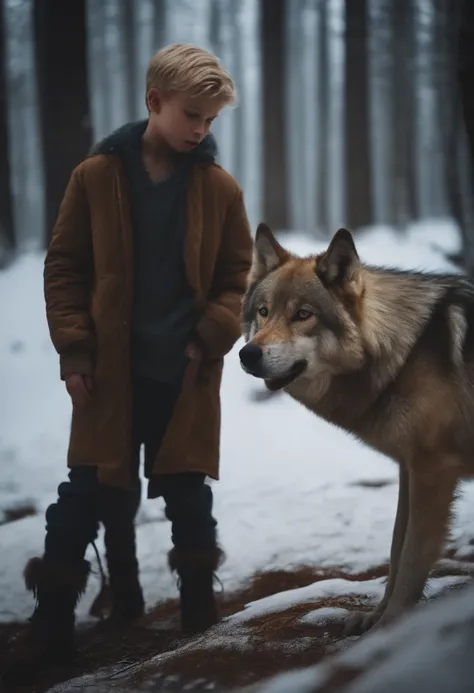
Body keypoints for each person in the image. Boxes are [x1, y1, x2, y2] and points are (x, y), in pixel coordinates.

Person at [4, 42, 253, 681]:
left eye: (210, 120)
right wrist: (76, 352)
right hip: (109, 375)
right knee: (87, 493)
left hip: (185, 372)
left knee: (188, 495)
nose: (200, 129)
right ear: (154, 102)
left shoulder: (219, 188)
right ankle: (53, 626)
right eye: (191, 115)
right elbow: (64, 268)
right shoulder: (95, 177)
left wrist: (214, 330)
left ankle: (200, 620)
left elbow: (235, 274)